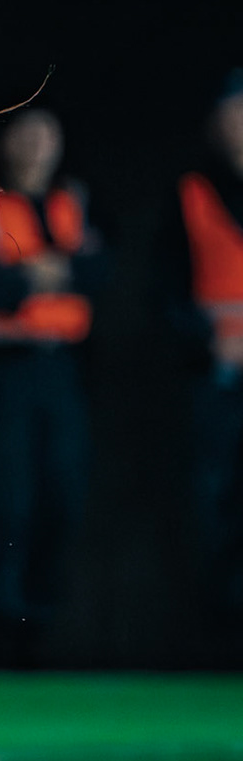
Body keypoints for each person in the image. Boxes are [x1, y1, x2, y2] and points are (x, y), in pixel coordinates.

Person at [0, 110, 104, 654]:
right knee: (5, 499)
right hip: (3, 371)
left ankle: (38, 628)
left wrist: (34, 272)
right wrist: (52, 272)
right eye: (26, 134)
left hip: (62, 369)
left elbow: (98, 273)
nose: (37, 146)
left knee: (61, 494)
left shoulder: (75, 200)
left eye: (48, 134)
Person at [171, 72, 243, 621]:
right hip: (214, 384)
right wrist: (208, 339)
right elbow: (163, 295)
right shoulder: (192, 195)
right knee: (213, 504)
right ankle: (216, 632)